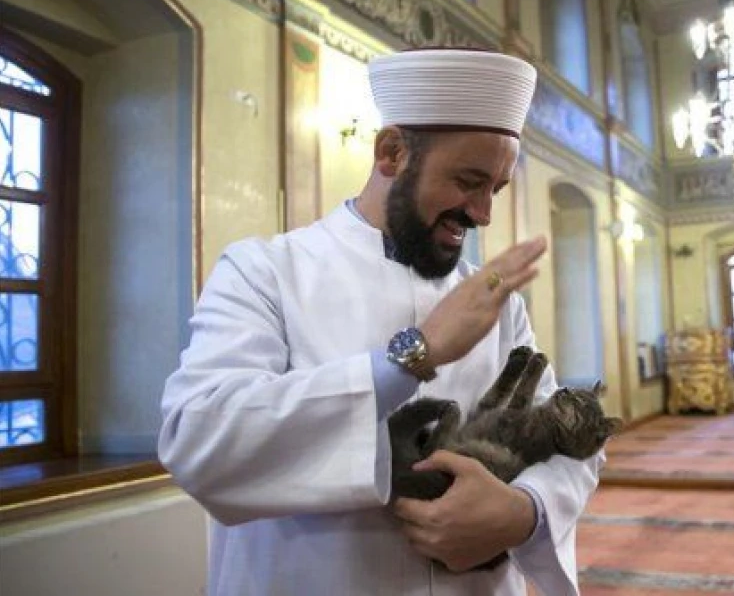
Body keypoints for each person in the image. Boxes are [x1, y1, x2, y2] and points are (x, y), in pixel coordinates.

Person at [158, 49, 601, 596]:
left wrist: (523, 512)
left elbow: (563, 439)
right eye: (468, 181)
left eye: (496, 189)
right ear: (392, 153)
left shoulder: (497, 300)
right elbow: (199, 440)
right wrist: (414, 356)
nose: (484, 212)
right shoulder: (264, 272)